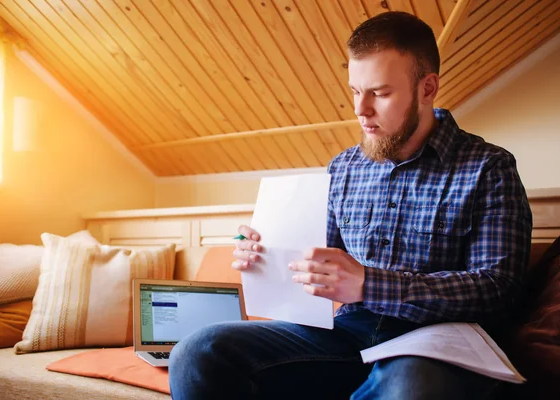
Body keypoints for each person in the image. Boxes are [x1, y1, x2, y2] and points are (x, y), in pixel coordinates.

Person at [169, 11, 532, 400]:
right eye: (356, 91)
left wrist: (369, 283)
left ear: (427, 89)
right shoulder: (343, 168)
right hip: (345, 337)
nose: (361, 109)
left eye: (381, 92)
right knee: (197, 351)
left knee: (408, 385)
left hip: (434, 344)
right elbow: (315, 261)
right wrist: (262, 252)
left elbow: (498, 288)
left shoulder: (488, 167)